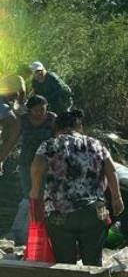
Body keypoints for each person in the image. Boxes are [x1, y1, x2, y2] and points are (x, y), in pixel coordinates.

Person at [29, 109, 123, 266]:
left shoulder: (49, 145)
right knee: (93, 264)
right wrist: (116, 197)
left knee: (66, 265)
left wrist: (35, 201)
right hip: (95, 210)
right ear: (79, 126)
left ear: (57, 128)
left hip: (60, 213)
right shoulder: (96, 144)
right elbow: (111, 170)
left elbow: (37, 169)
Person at [15, 95, 56, 199]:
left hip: (46, 162)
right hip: (26, 161)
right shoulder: (23, 120)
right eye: (35, 110)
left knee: (45, 194)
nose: (39, 112)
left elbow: (60, 139)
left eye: (42, 109)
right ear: (29, 109)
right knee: (28, 194)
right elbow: (13, 138)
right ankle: (30, 214)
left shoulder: (52, 119)